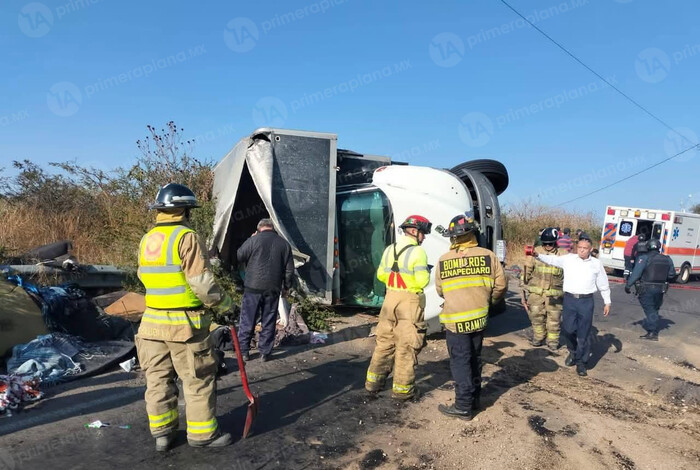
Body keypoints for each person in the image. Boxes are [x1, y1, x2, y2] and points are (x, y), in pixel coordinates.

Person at [136, 183, 234, 451]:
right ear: (184, 210)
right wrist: (226, 305)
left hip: (150, 325)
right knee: (197, 380)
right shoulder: (186, 237)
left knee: (157, 381)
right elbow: (201, 283)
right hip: (184, 326)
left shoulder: (148, 239)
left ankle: (163, 435)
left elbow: (143, 276)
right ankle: (203, 436)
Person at [435, 213, 506, 420]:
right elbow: (500, 286)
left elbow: (440, 290)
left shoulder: (444, 260)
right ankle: (474, 399)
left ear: (454, 237)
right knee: (475, 358)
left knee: (460, 362)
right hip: (479, 319)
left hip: (455, 322)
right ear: (473, 233)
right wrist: (488, 302)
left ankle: (463, 406)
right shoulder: (488, 255)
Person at [365, 215, 432, 400]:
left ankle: (373, 383)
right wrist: (425, 271)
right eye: (423, 234)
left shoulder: (389, 249)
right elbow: (422, 280)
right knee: (407, 345)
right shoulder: (418, 253)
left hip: (389, 299)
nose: (424, 238)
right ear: (414, 231)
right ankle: (403, 391)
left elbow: (381, 275)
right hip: (409, 301)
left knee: (384, 342)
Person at [533, 233, 611, 377]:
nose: (581, 250)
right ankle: (573, 352)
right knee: (568, 330)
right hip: (569, 300)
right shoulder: (569, 259)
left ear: (590, 249)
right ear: (576, 247)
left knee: (584, 333)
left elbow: (603, 283)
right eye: (579, 247)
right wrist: (537, 255)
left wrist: (607, 301)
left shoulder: (596, 264)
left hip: (586, 301)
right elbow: (552, 259)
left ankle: (581, 362)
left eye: (585, 248)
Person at [237, 218, 294, 362]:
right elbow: (289, 270)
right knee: (269, 319)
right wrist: (286, 287)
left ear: (259, 229)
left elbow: (239, 255)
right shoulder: (284, 244)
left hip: (252, 288)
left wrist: (250, 240)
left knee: (247, 319)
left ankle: (244, 351)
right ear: (272, 228)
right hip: (273, 288)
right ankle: (265, 353)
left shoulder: (254, 240)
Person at [521, 228, 565, 350]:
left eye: (550, 243)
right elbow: (526, 272)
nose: (547, 246)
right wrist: (523, 290)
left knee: (554, 320)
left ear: (555, 242)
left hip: (555, 295)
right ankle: (539, 337)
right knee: (536, 317)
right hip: (536, 294)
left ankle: (552, 341)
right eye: (544, 243)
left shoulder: (564, 255)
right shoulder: (534, 253)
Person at [625, 238, 675, 341]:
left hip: (646, 288)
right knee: (655, 309)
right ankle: (654, 329)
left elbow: (636, 273)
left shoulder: (644, 258)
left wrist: (628, 285)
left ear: (647, 247)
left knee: (650, 309)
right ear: (659, 247)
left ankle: (652, 332)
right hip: (661, 288)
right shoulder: (667, 259)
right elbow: (671, 274)